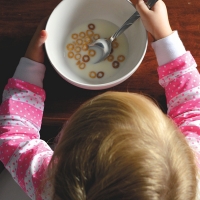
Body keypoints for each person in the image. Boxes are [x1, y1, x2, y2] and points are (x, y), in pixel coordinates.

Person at [0, 0, 199, 199]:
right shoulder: (187, 169)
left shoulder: (50, 182)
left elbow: (15, 137)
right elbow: (193, 107)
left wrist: (31, 65)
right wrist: (163, 35)